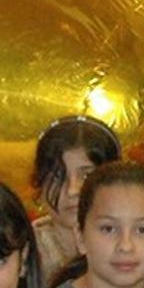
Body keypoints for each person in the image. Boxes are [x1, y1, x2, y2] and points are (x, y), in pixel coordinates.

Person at [31, 117, 121, 278]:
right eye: (57, 176)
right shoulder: (19, 255)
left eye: (87, 176)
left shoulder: (136, 249)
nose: (73, 190)